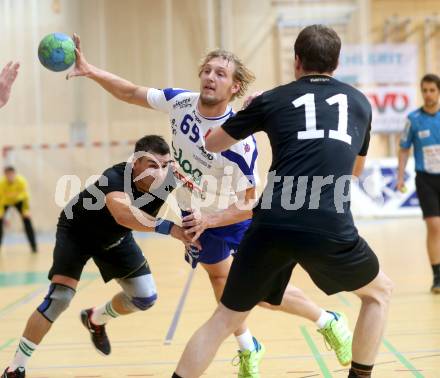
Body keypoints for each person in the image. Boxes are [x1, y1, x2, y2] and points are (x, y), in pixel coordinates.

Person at [66, 35, 354, 377]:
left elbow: (252, 204)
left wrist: (212, 219)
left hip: (232, 216)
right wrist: (90, 70)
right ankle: (249, 346)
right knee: (220, 280)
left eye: (220, 73)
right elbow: (130, 92)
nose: (210, 76)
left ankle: (327, 320)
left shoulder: (239, 141)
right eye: (207, 70)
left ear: (234, 87)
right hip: (195, 214)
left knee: (260, 293)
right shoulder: (180, 102)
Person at [173, 24, 394, 378]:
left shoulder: (272, 99)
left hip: (271, 221)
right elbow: (354, 171)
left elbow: (211, 142)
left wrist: (250, 109)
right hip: (328, 224)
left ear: (296, 61)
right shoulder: (360, 103)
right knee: (379, 293)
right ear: (336, 63)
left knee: (225, 319)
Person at [2, 135, 197, 378]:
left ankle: (95, 318)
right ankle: (15, 367)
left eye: (165, 165)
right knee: (60, 298)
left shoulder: (171, 176)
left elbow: (190, 197)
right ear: (135, 162)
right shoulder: (115, 178)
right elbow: (124, 215)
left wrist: (192, 233)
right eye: (152, 166)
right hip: (77, 234)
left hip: (115, 238)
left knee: (145, 297)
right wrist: (173, 230)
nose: (160, 173)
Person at [397, 73, 440, 294]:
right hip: (426, 179)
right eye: (425, 90)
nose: (428, 94)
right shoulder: (413, 119)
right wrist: (400, 176)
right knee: (434, 226)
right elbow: (404, 149)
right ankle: (437, 276)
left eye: (432, 90)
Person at [0, 166, 37, 253]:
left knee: (27, 220)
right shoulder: (1, 184)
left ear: (14, 174)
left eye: (11, 174)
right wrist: (1, 214)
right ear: (5, 175)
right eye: (8, 175)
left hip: (19, 201)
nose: (10, 177)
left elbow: (25, 197)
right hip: (5, 202)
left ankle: (34, 247)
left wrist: (26, 210)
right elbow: (0, 199)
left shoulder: (21, 181)